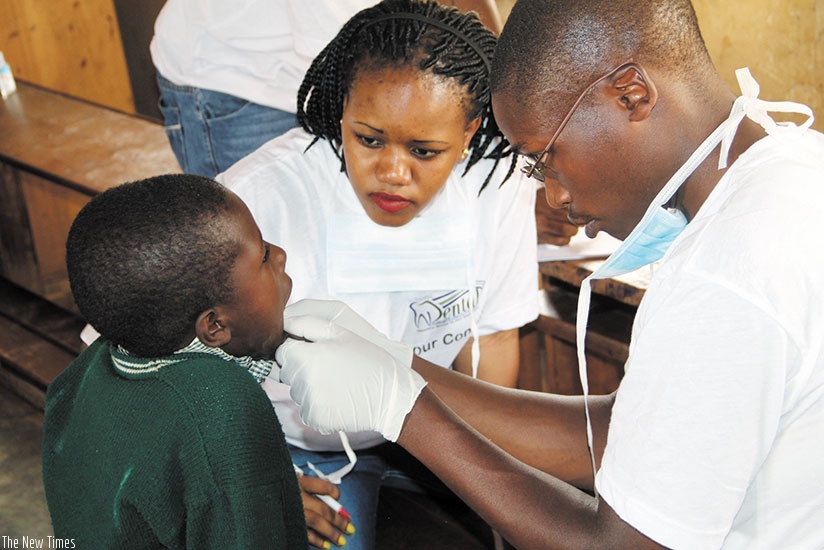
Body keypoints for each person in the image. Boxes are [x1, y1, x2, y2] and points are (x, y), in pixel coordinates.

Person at [273, 0, 824, 548]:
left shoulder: (722, 275)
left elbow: (618, 544)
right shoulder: (795, 165)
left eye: (546, 156)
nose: (554, 196)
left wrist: (403, 410)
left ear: (631, 95)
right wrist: (397, 367)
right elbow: (628, 432)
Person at [217, 1, 538, 547]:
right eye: (368, 139)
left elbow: (496, 334)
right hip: (300, 447)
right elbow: (160, 362)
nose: (392, 172)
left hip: (428, 428)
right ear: (341, 111)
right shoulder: (259, 197)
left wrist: (476, 461)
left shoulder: (498, 184)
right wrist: (241, 477)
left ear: (469, 133)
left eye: (425, 151)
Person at [41, 175, 347, 549]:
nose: (280, 254)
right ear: (215, 325)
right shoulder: (221, 402)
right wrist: (250, 499)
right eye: (264, 255)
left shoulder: (90, 367)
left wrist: (252, 490)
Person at [149, 0, 503, 178]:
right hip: (234, 84)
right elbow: (355, 64)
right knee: (260, 249)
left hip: (317, 49)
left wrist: (505, 114)